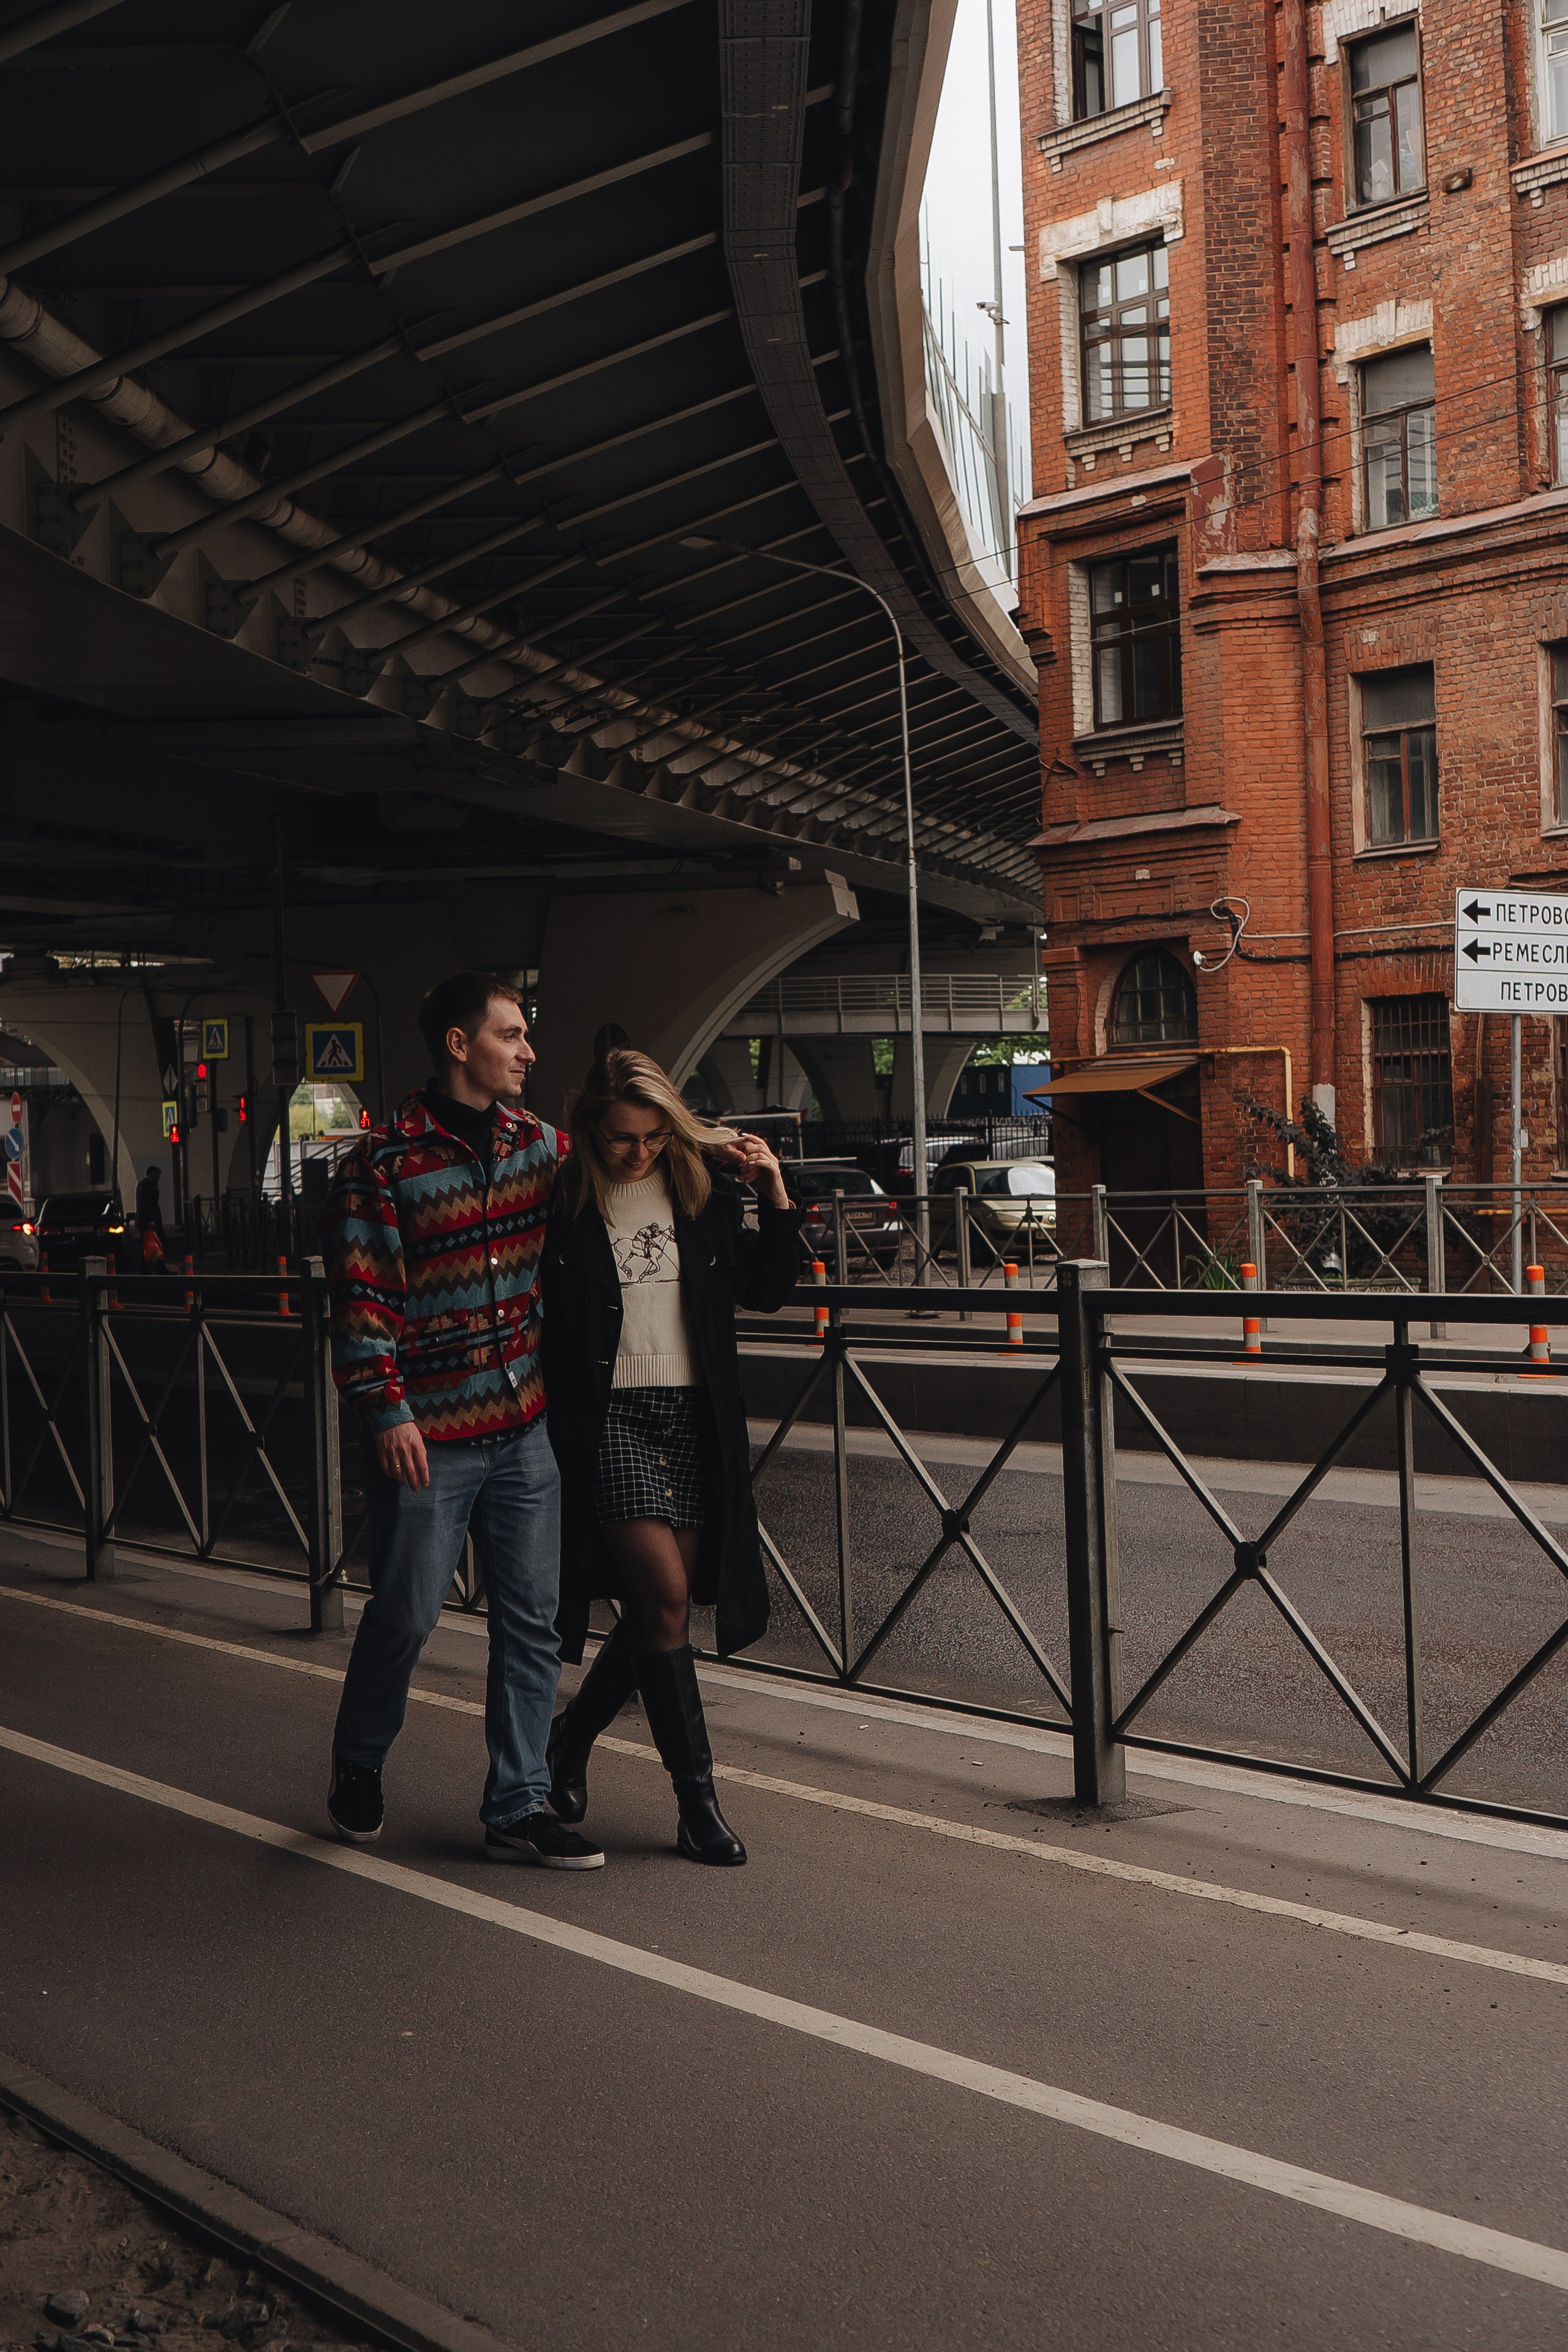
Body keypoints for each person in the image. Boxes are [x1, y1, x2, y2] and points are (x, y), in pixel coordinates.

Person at [317, 971, 603, 1870]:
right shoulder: (385, 1162)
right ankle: (360, 1762)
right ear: (458, 1045)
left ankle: (517, 1803)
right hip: (427, 1438)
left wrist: (727, 1160)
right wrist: (386, 1409)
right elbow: (363, 1299)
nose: (526, 1051)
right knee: (404, 1615)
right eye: (511, 1035)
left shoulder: (541, 1146)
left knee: (534, 1624)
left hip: (524, 1429)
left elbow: (631, 1157)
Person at [541, 1049, 802, 1866]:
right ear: (591, 1130)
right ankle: (698, 1804)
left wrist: (775, 1195)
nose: (639, 1153)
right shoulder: (564, 1202)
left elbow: (767, 1289)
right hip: (609, 1415)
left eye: (655, 1136)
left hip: (694, 1416)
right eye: (623, 1137)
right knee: (662, 1595)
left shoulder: (703, 1193)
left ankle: (567, 1741)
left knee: (668, 1611)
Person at [135, 1164, 165, 1265]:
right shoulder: (148, 1185)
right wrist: (151, 1221)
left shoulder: (141, 1184)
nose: (159, 1177)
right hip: (149, 1221)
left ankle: (146, 1268)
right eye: (157, 1175)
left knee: (146, 1244)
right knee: (161, 1242)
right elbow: (148, 1204)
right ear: (152, 1174)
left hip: (142, 1220)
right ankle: (160, 1267)